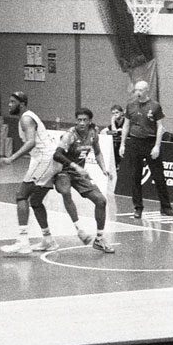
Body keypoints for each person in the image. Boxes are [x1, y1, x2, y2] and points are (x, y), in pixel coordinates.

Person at [0, 91, 66, 256]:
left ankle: (23, 242)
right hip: (49, 159)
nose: (9, 105)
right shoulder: (28, 117)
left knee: (21, 196)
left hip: (44, 159)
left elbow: (31, 142)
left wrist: (11, 158)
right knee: (35, 201)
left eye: (13, 102)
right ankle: (48, 240)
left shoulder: (26, 118)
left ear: (21, 104)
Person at [53, 108, 116, 253]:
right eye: (79, 120)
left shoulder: (93, 133)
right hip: (64, 171)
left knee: (101, 201)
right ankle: (79, 229)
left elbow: (98, 152)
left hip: (79, 174)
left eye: (84, 120)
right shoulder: (70, 135)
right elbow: (57, 155)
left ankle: (99, 239)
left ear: (90, 121)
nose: (81, 123)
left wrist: (104, 168)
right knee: (65, 190)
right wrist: (75, 166)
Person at [120, 81, 173, 220]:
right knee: (135, 176)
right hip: (135, 142)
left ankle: (166, 207)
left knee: (159, 176)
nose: (138, 92)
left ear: (147, 90)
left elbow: (160, 127)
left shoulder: (155, 106)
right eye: (136, 90)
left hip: (150, 142)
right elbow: (126, 125)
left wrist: (157, 146)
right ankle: (138, 208)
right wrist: (123, 144)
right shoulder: (130, 106)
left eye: (141, 90)